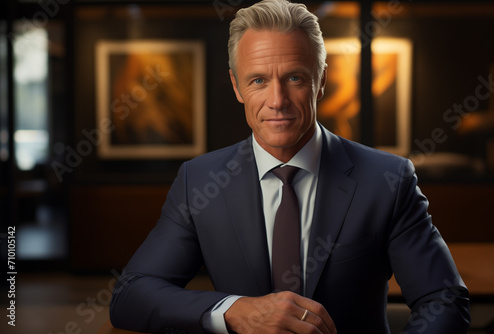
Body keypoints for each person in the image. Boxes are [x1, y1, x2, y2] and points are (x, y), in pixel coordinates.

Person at [110, 0, 470, 333]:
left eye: (295, 78)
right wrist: (235, 310)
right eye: (258, 81)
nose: (277, 101)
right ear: (237, 86)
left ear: (322, 80)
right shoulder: (200, 182)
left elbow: (444, 300)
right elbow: (131, 295)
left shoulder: (387, 180)